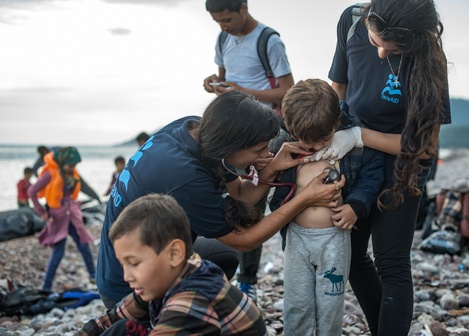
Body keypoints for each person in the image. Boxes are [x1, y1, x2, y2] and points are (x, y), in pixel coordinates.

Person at [96, 91, 340, 309]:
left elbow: (240, 194)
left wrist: (272, 167)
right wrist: (305, 198)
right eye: (259, 150)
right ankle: (169, 309)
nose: (266, 154)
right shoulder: (186, 176)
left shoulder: (194, 129)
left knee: (223, 256)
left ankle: (190, 300)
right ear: (232, 145)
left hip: (144, 256)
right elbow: (244, 240)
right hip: (129, 284)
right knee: (231, 298)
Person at [318, 1, 452, 334]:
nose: (380, 55)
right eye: (376, 42)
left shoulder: (428, 57)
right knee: (351, 259)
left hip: (403, 163)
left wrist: (360, 136)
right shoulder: (350, 20)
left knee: (391, 263)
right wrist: (329, 138)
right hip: (356, 158)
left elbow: (426, 147)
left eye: (392, 49)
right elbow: (339, 90)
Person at [268, 79, 384, 336]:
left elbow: (372, 176)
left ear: (336, 124)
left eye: (323, 139)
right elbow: (267, 177)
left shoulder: (354, 144)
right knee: (296, 303)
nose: (317, 147)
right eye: (307, 142)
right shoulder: (282, 144)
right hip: (297, 238)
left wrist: (355, 205)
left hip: (335, 238)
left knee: (331, 303)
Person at [203, 0, 295, 299]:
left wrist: (243, 92)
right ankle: (224, 270)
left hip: (264, 133)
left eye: (227, 20)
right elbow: (224, 79)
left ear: (244, 7)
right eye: (217, 22)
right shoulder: (222, 38)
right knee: (231, 200)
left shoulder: (269, 41)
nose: (223, 27)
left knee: (252, 207)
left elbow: (288, 90)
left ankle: (248, 281)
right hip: (232, 132)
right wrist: (215, 84)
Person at [76, 194, 267, 336]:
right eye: (124, 265)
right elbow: (112, 319)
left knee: (123, 331)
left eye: (134, 263)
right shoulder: (173, 274)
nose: (127, 276)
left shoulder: (192, 298)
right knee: (121, 329)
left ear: (175, 253)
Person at [27, 147, 96, 292]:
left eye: (75, 165)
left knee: (84, 245)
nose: (73, 168)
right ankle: (46, 286)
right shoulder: (50, 173)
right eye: (71, 165)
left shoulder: (71, 173)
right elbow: (31, 191)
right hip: (57, 218)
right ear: (63, 161)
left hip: (72, 215)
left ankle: (94, 276)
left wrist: (97, 198)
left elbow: (83, 187)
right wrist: (41, 212)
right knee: (58, 252)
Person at [32, 145, 102, 204]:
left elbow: (68, 154)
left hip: (68, 172)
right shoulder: (43, 159)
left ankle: (97, 199)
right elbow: (34, 169)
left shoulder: (55, 151)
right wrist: (40, 179)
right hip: (58, 180)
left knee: (82, 185)